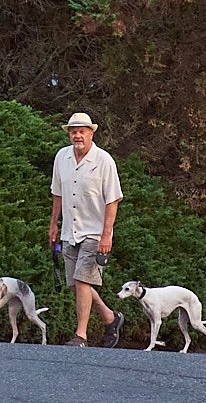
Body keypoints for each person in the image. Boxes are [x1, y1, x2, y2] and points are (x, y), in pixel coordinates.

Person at [49, 111, 124, 347]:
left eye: (82, 131)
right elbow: (57, 193)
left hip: (94, 232)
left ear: (91, 133)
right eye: (73, 132)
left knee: (82, 281)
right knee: (75, 283)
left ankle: (81, 335)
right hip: (70, 231)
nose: (77, 136)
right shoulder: (62, 157)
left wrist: (107, 235)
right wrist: (53, 223)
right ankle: (110, 317)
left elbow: (113, 200)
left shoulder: (104, 160)